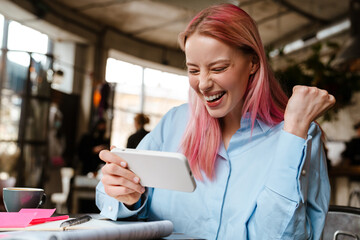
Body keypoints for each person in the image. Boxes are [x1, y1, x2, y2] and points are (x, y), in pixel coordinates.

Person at [96, 4, 335, 239]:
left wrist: (293, 131)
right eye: (193, 70)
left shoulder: (298, 136)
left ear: (253, 63)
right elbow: (109, 198)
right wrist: (127, 196)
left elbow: (282, 236)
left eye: (218, 68)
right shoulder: (174, 123)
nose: (203, 84)